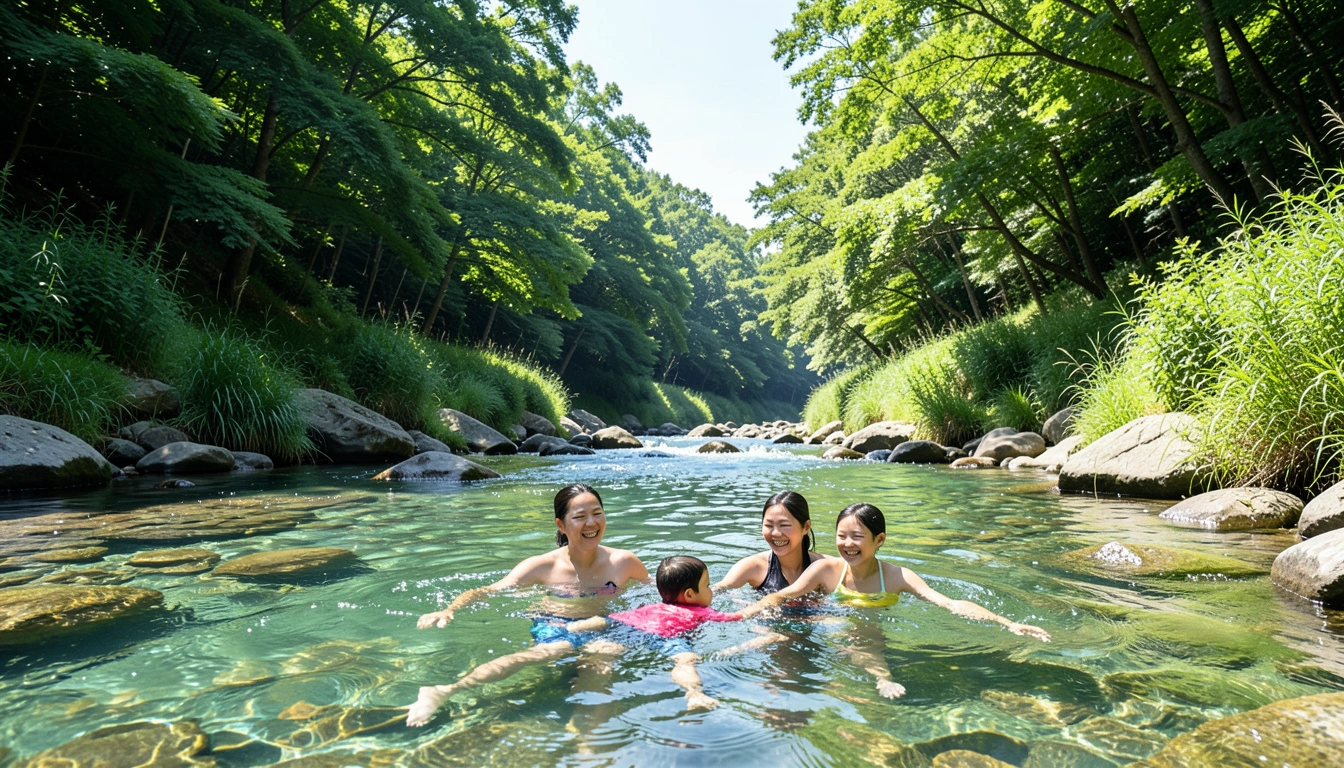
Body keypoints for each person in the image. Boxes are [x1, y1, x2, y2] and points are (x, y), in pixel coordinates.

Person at [738, 502, 1051, 699]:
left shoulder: (898, 576)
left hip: (864, 633)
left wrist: (1007, 623)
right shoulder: (827, 569)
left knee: (865, 634)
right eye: (841, 536)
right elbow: (783, 594)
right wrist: (751, 610)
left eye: (857, 536)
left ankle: (880, 678)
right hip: (825, 627)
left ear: (880, 540)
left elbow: (949, 604)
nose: (847, 544)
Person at [407, 483, 648, 727]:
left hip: (603, 626)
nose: (591, 523)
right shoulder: (542, 566)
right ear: (561, 525)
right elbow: (488, 591)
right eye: (579, 517)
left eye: (597, 513)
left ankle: (586, 730)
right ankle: (443, 690)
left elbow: (657, 593)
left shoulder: (624, 562)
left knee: (606, 652)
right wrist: (450, 609)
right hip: (558, 626)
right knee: (549, 652)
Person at [565, 555, 786, 711]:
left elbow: (618, 618)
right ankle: (694, 695)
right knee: (685, 660)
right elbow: (739, 616)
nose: (711, 590)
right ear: (690, 595)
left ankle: (572, 631)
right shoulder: (701, 611)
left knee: (606, 626)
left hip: (631, 623)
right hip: (668, 636)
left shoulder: (653, 606)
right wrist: (765, 602)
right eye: (707, 585)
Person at [714, 491, 835, 594]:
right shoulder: (753, 567)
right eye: (768, 525)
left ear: (806, 527)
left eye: (784, 525)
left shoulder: (828, 567)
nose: (776, 533)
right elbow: (713, 593)